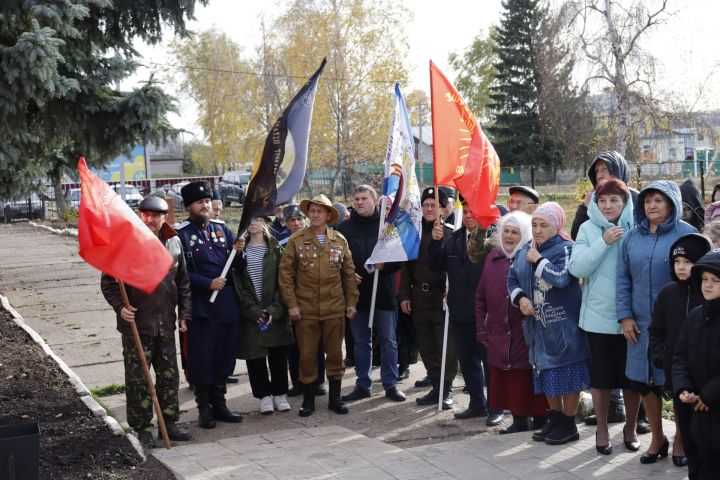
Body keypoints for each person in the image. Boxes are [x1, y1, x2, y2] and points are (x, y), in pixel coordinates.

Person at [100, 196, 192, 448]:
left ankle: (169, 422)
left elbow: (182, 282)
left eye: (156, 215)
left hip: (166, 323)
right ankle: (142, 427)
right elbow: (108, 282)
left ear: (165, 217)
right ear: (139, 216)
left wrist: (185, 314)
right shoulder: (126, 244)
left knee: (169, 376)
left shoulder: (174, 241)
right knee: (139, 379)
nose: (150, 219)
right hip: (137, 325)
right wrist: (120, 307)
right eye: (146, 214)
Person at [617, 180, 697, 463]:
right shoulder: (631, 237)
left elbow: (700, 279)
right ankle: (657, 439)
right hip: (639, 323)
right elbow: (623, 278)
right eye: (648, 200)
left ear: (672, 204)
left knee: (679, 381)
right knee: (644, 381)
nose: (652, 205)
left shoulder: (688, 235)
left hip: (679, 324)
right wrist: (624, 316)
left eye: (659, 201)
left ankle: (682, 441)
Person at [568, 178, 641, 455]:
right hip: (597, 318)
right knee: (600, 379)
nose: (608, 205)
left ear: (625, 203)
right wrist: (603, 242)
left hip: (631, 318)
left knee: (631, 378)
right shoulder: (588, 228)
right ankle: (601, 428)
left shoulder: (636, 228)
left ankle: (631, 427)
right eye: (603, 200)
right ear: (596, 203)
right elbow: (576, 268)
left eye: (615, 200)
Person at [508, 202, 590, 445]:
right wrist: (520, 298)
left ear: (556, 226)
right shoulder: (525, 249)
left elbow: (563, 278)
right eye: (534, 225)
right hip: (537, 328)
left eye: (543, 225)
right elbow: (512, 279)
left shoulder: (566, 248)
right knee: (547, 375)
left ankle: (569, 422)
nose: (537, 230)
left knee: (569, 374)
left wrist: (540, 261)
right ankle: (555, 419)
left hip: (564, 328)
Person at [278, 194, 359, 417]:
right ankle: (309, 399)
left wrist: (352, 301)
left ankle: (335, 398)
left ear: (328, 216)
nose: (314, 215)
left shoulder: (339, 240)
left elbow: (348, 274)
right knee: (307, 355)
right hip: (306, 309)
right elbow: (286, 276)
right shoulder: (296, 241)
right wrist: (292, 304)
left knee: (334, 354)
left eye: (319, 211)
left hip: (334, 307)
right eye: (312, 211)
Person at [175, 181, 244, 428]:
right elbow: (178, 273)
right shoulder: (179, 234)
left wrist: (239, 252)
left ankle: (220, 403)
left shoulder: (222, 229)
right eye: (199, 202)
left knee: (224, 357)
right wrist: (207, 283)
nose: (205, 205)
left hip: (226, 306)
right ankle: (204, 407)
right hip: (201, 307)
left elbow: (236, 266)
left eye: (207, 201)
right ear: (188, 206)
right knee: (202, 359)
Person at [429, 196, 503, 425]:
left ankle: (496, 407)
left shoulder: (492, 239)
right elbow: (435, 265)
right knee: (468, 360)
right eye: (466, 211)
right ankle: (476, 404)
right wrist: (436, 243)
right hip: (459, 310)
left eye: (474, 212)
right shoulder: (454, 238)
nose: (469, 216)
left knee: (489, 362)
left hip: (484, 313)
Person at [476, 211, 548, 434]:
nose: (508, 236)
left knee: (528, 377)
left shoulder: (530, 257)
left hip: (527, 332)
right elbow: (480, 296)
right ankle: (519, 421)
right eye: (505, 230)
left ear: (524, 235)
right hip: (498, 330)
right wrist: (482, 330)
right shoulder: (492, 258)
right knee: (509, 379)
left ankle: (541, 421)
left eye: (515, 232)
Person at [337, 185, 406, 402]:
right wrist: (347, 275)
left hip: (383, 294)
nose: (359, 202)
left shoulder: (387, 226)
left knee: (388, 341)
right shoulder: (344, 228)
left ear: (375, 201)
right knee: (360, 342)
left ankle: (390, 384)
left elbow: (401, 259)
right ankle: (362, 383)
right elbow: (336, 258)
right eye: (356, 199)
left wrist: (386, 265)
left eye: (364, 198)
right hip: (356, 296)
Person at [649, 233, 710, 475]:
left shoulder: (707, 294)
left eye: (688, 261)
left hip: (706, 378)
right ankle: (682, 448)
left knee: (705, 430)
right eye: (677, 262)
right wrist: (662, 358)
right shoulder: (668, 293)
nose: (682, 267)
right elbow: (656, 331)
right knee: (683, 418)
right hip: (678, 374)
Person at [399, 187, 457, 406]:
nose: (429, 208)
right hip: (419, 300)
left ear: (443, 209)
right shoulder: (413, 233)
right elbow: (407, 267)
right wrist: (404, 294)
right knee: (427, 348)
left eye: (434, 205)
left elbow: (458, 267)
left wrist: (454, 289)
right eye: (426, 205)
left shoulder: (452, 234)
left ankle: (447, 389)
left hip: (441, 301)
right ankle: (435, 387)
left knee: (446, 349)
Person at [233, 215, 294, 415]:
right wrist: (254, 310)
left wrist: (274, 310)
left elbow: (284, 281)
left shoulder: (276, 249)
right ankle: (264, 396)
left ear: (266, 223)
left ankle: (279, 394)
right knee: (256, 357)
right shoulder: (239, 251)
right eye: (250, 219)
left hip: (275, 312)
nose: (254, 223)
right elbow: (238, 284)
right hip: (253, 315)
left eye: (259, 219)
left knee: (278, 356)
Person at [673, 250, 720, 479]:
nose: (707, 286)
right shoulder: (695, 316)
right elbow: (680, 356)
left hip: (714, 406)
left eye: (715, 280)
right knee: (697, 466)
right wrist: (684, 388)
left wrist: (709, 394)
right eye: (704, 279)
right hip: (695, 411)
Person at [281, 203, 327, 397]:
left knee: (316, 343)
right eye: (293, 220)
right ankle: (298, 382)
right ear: (286, 223)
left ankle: (318, 381)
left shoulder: (316, 239)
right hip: (291, 300)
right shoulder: (281, 244)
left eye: (300, 219)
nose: (297, 223)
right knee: (294, 345)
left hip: (313, 300)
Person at [571, 150, 638, 241]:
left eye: (604, 169)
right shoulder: (593, 198)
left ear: (617, 169)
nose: (599, 176)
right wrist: (584, 208)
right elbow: (576, 236)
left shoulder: (638, 198)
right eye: (597, 171)